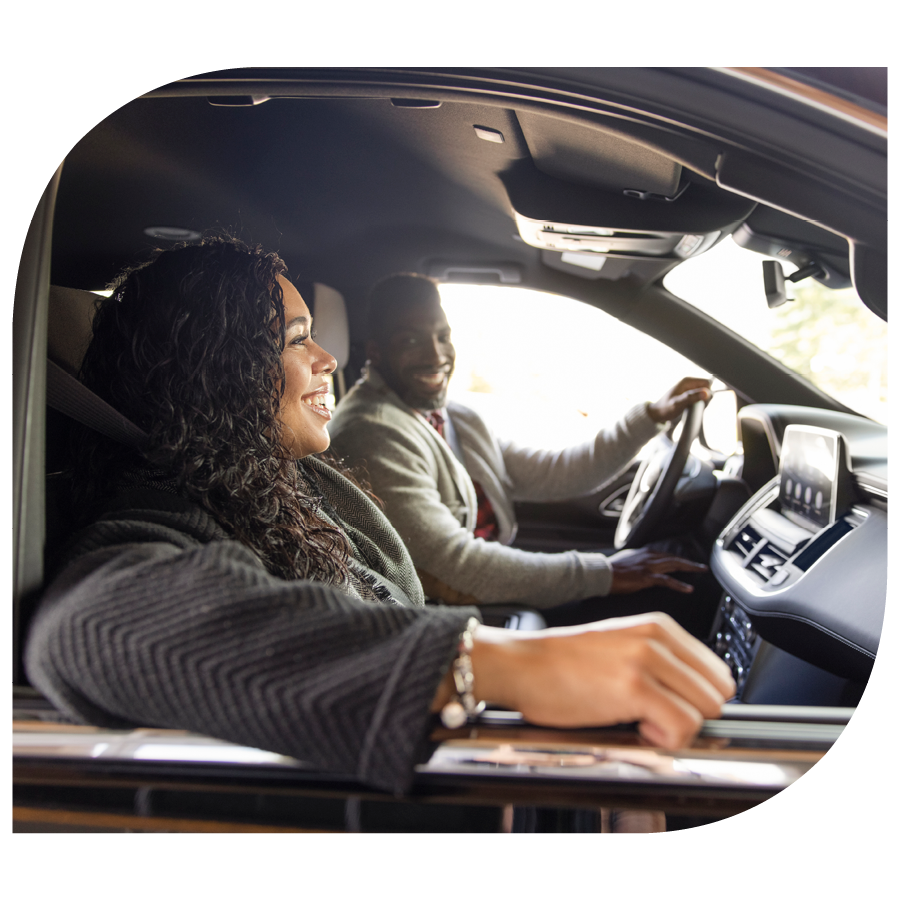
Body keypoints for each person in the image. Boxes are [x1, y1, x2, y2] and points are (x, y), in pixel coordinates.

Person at [25, 237, 734, 796]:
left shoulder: (268, 476)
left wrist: (650, 419)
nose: (329, 357)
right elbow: (93, 620)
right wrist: (480, 664)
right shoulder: (161, 508)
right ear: (218, 369)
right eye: (296, 337)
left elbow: (549, 472)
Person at [328, 273, 714, 630]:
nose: (436, 355)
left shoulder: (448, 414)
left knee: (679, 560)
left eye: (443, 336)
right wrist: (605, 574)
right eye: (410, 341)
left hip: (489, 587)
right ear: (376, 353)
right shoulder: (371, 432)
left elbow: (555, 473)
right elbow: (454, 566)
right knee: (681, 586)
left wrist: (649, 418)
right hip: (459, 613)